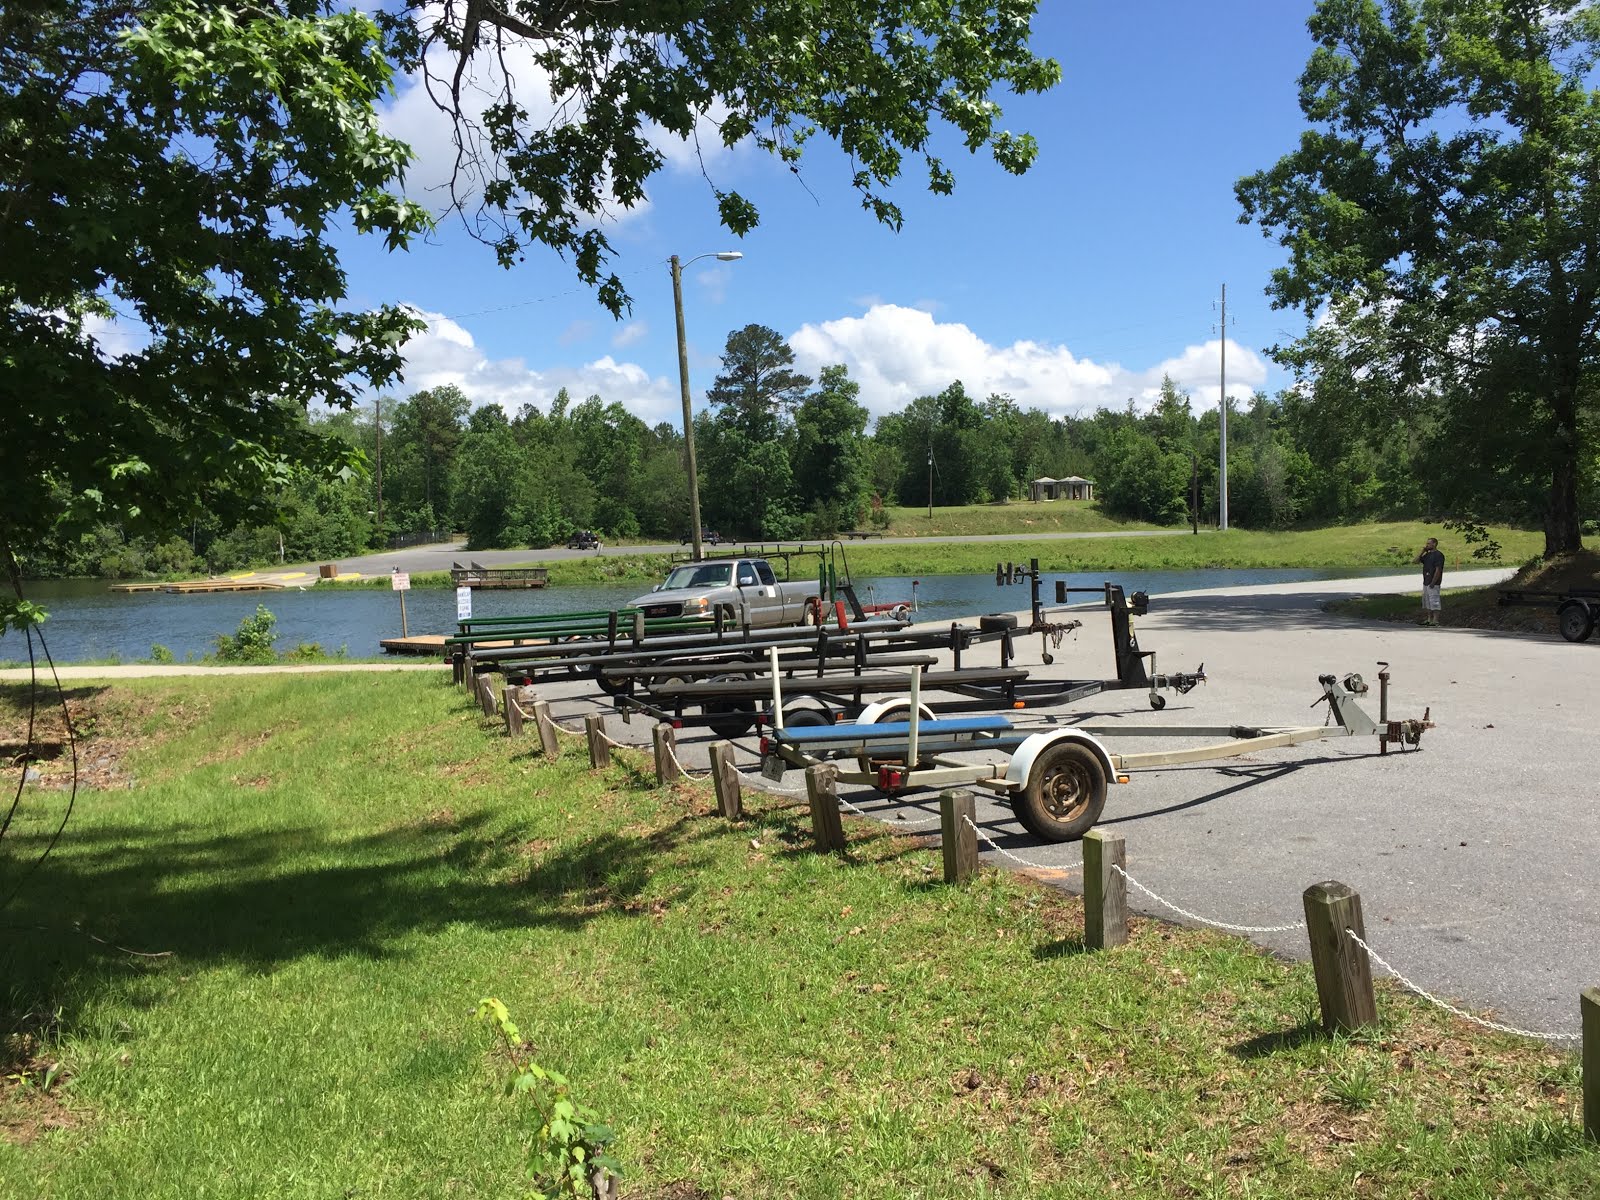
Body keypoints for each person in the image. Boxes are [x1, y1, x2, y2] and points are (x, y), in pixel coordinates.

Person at [1416, 536, 1445, 626]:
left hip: (1434, 582)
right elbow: (1415, 561)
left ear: (1434, 544)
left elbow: (1438, 569)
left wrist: (1433, 582)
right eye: (1427, 543)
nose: (1427, 545)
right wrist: (1422, 551)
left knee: (1434, 601)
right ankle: (1429, 619)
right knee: (1427, 601)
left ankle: (1435, 620)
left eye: (1429, 543)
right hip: (1426, 581)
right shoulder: (1427, 555)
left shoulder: (1438, 555)